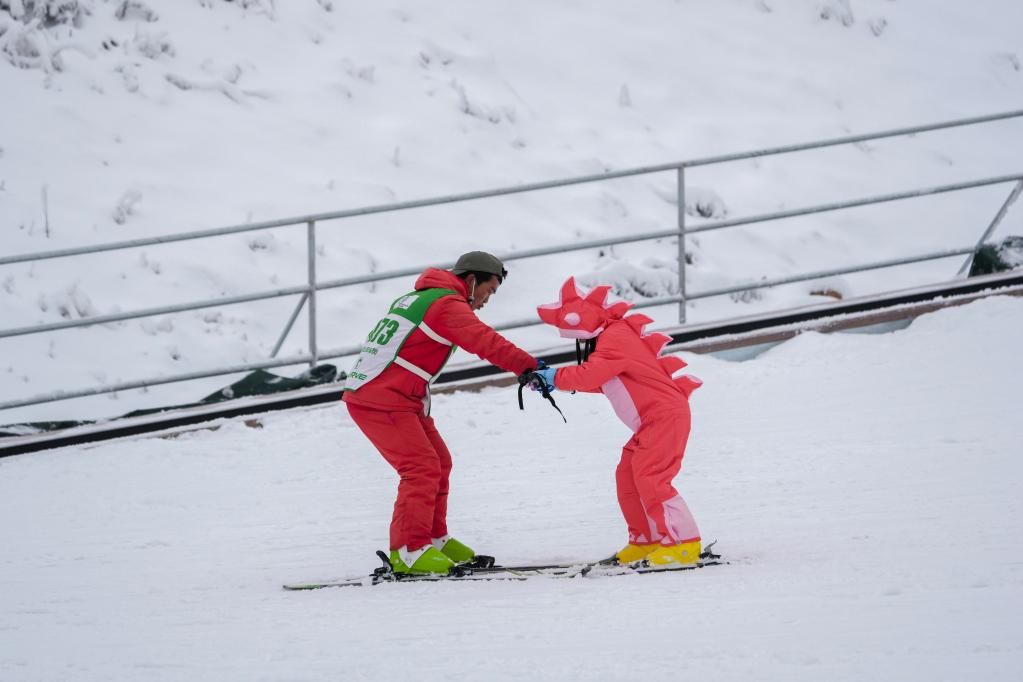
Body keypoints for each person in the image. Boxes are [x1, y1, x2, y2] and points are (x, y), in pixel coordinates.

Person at [342, 251, 539, 574]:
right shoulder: (446, 304)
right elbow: (485, 341)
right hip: (382, 398)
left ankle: (432, 538)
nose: (487, 300)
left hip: (398, 396)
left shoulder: (423, 297)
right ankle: (408, 551)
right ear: (471, 280)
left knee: (439, 462)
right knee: (420, 467)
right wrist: (530, 367)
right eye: (489, 291)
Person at [531, 277, 705, 565]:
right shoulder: (611, 339)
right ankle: (647, 539)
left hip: (664, 417)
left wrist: (553, 377)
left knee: (652, 478)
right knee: (627, 477)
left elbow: (592, 374)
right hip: (651, 422)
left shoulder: (616, 337)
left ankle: (682, 543)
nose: (580, 341)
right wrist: (554, 380)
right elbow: (605, 381)